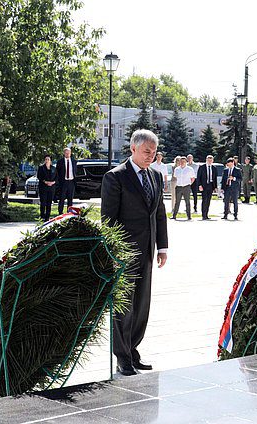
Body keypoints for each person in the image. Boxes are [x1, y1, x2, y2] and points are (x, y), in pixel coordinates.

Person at [101, 129, 168, 376]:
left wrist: (162, 246)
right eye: (146, 151)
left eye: (154, 152)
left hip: (148, 252)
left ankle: (133, 349)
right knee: (123, 307)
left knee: (141, 305)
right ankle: (122, 356)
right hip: (123, 253)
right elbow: (108, 220)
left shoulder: (156, 177)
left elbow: (159, 214)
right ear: (133, 149)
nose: (151, 156)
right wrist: (113, 253)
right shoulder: (115, 177)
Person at [55, 147, 77, 214]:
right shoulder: (60, 162)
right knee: (62, 198)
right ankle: (60, 212)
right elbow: (57, 172)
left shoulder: (74, 161)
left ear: (70, 153)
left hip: (71, 182)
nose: (67, 154)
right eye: (66, 153)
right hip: (63, 182)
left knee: (70, 199)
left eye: (69, 153)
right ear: (64, 153)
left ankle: (69, 213)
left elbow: (75, 171)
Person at [197, 155, 218, 220]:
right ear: (206, 160)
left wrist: (215, 187)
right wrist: (199, 185)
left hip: (211, 185)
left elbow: (215, 178)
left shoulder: (214, 168)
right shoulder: (202, 167)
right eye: (208, 160)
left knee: (208, 200)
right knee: (204, 200)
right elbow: (198, 177)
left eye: (211, 160)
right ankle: (203, 215)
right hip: (204, 185)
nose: (209, 161)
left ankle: (206, 214)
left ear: (212, 160)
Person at [37, 154, 56, 221]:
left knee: (49, 203)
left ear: (50, 161)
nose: (47, 161)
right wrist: (45, 182)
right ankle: (42, 216)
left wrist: (53, 182)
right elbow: (39, 176)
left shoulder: (53, 168)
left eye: (48, 159)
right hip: (43, 187)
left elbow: (57, 177)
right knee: (43, 202)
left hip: (51, 188)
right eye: (46, 159)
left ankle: (47, 217)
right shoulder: (41, 168)